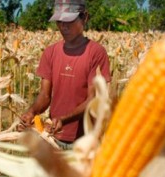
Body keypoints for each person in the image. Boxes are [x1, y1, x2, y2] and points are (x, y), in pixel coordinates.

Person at [19, 0, 111, 150]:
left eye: (69, 20)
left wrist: (64, 119)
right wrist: (32, 112)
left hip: (85, 141)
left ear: (85, 18)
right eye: (59, 21)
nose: (63, 26)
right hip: (52, 137)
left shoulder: (96, 53)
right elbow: (45, 95)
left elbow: (93, 99)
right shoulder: (50, 52)